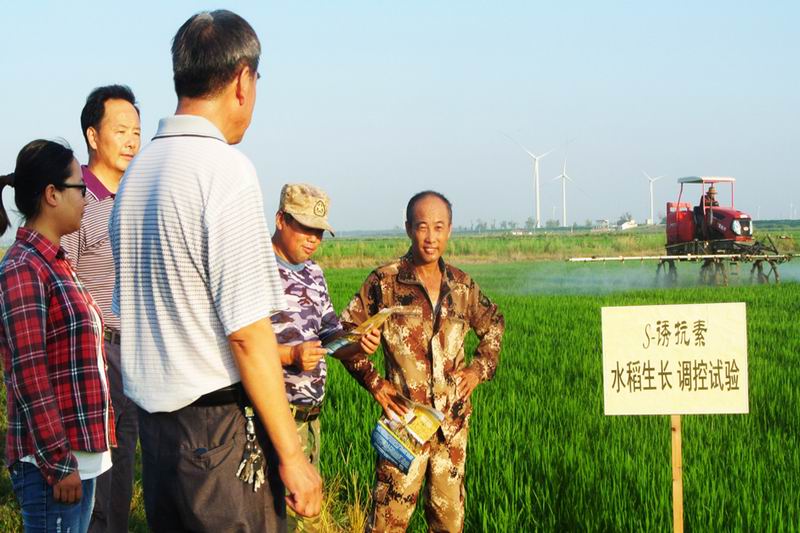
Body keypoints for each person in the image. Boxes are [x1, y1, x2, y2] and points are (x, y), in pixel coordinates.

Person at [109, 10, 321, 531]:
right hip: (218, 436)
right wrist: (292, 456)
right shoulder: (224, 170)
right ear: (243, 80)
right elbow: (247, 334)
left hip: (157, 434)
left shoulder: (136, 175)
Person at [339, 190, 504, 532]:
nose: (431, 237)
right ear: (408, 228)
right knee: (387, 524)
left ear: (450, 230)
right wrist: (374, 382)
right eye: (422, 226)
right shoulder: (384, 282)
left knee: (448, 524)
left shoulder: (462, 286)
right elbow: (344, 334)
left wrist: (478, 370)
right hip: (404, 425)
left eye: (439, 227)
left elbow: (494, 325)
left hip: (452, 430)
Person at [0, 140, 115, 533]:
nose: (86, 199)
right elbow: (29, 374)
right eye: (80, 188)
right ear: (52, 194)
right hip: (52, 466)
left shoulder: (56, 263)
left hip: (79, 458)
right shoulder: (24, 268)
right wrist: (59, 462)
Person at [269, 183, 381, 532]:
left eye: (319, 232)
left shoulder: (314, 273)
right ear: (281, 219)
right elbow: (238, 345)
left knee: (303, 516)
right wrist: (290, 354)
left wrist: (357, 344)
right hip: (271, 420)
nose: (313, 239)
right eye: (306, 228)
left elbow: (329, 334)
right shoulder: (255, 269)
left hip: (310, 419)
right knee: (272, 518)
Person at [62, 84, 141, 533]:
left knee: (123, 467)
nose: (131, 141)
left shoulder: (135, 199)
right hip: (94, 353)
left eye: (137, 132)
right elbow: (62, 287)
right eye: (121, 130)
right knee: (94, 472)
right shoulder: (78, 203)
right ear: (93, 136)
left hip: (134, 354)